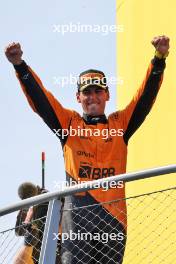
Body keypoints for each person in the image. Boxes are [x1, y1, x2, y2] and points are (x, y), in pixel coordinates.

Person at [5, 35, 170, 264]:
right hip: (78, 220)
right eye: (87, 93)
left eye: (98, 91)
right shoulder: (69, 124)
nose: (92, 97)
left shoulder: (120, 125)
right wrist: (20, 66)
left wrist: (159, 60)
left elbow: (145, 98)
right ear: (78, 97)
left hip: (114, 221)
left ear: (107, 95)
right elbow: (42, 101)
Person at [14, 182, 49, 264]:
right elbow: (18, 231)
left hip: (50, 245)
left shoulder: (47, 201)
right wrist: (25, 210)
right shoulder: (29, 209)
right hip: (35, 251)